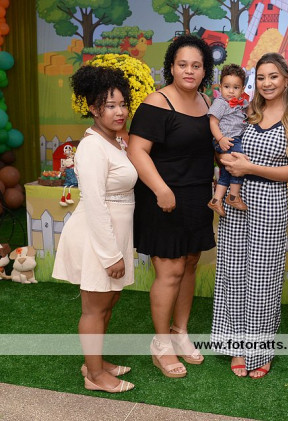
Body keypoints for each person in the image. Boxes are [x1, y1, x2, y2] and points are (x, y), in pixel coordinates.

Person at [211, 52, 288, 378]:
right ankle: (236, 346)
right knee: (233, 273)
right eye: (262, 77)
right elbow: (223, 147)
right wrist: (226, 160)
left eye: (273, 76)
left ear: (286, 80)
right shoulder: (247, 112)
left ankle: (259, 350)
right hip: (236, 202)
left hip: (269, 204)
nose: (267, 83)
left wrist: (249, 168)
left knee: (263, 279)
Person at [127, 35, 215, 378]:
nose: (189, 71)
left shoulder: (207, 102)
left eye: (196, 65)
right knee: (170, 272)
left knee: (190, 265)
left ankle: (180, 333)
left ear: (205, 70)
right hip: (163, 199)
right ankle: (161, 344)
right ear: (171, 68)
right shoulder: (157, 102)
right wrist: (161, 189)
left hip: (196, 198)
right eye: (182, 65)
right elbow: (136, 151)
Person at [52, 65, 137, 393]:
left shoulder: (114, 141)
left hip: (114, 234)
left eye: (122, 104)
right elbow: (95, 203)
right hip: (97, 238)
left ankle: (95, 362)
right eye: (110, 105)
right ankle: (96, 376)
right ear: (93, 108)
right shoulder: (91, 147)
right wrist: (110, 254)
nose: (119, 112)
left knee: (108, 302)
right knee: (94, 308)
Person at [207, 63, 249, 217]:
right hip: (227, 139)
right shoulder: (220, 103)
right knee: (239, 162)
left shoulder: (243, 104)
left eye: (236, 87)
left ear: (242, 89)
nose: (231, 91)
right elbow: (213, 122)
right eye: (227, 87)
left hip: (233, 139)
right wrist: (220, 139)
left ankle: (216, 200)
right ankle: (233, 196)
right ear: (220, 87)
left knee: (226, 171)